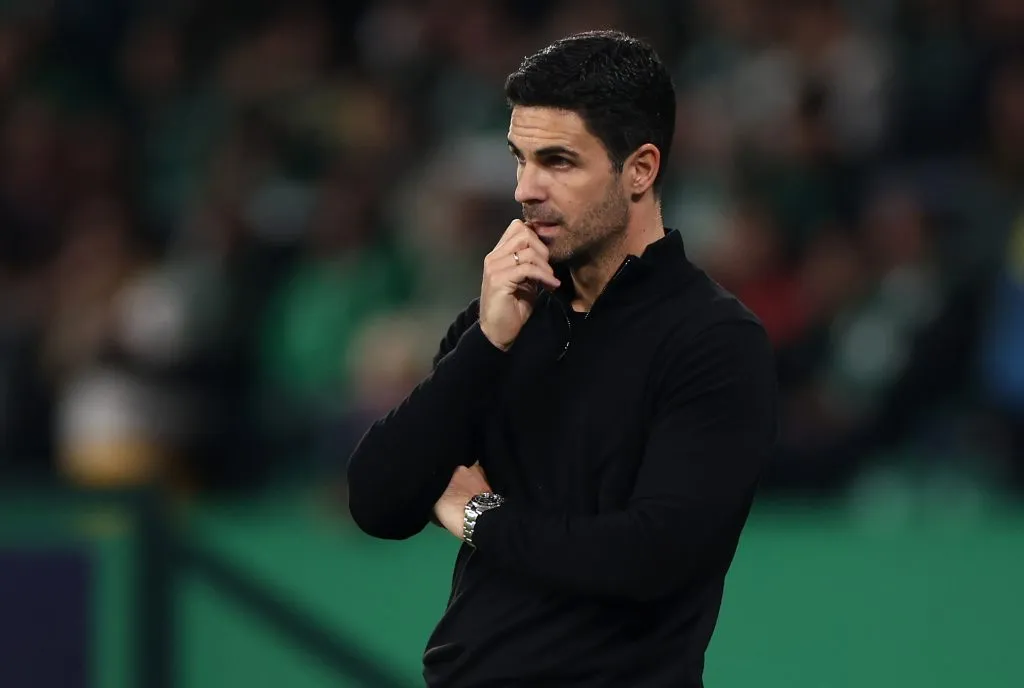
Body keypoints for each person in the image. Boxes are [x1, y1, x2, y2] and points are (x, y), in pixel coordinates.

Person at [346, 30, 778, 688]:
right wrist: (486, 343)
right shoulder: (498, 321)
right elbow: (378, 501)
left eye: (559, 162)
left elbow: (648, 559)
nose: (526, 188)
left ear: (640, 169)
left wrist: (479, 514)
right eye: (519, 159)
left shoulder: (714, 341)